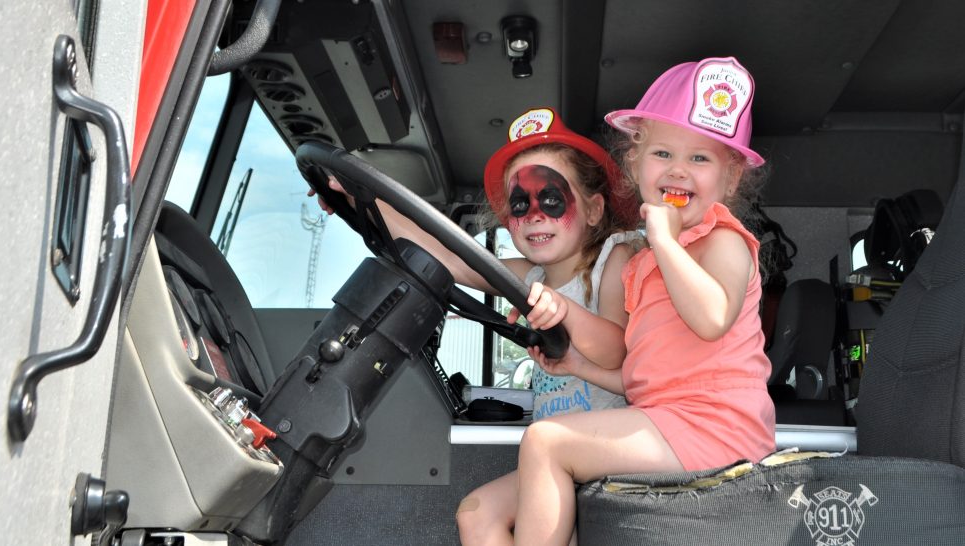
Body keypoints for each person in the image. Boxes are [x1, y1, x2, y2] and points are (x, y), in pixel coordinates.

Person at [313, 107, 642, 544]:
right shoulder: (529, 278)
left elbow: (617, 352)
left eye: (552, 198)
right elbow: (444, 253)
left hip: (608, 446)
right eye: (520, 205)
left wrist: (565, 311)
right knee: (476, 513)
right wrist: (360, 202)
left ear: (596, 209)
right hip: (556, 457)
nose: (535, 215)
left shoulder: (611, 262)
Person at [511, 57, 776, 545]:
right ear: (635, 164)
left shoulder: (724, 242)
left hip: (719, 430)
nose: (678, 170)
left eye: (700, 159)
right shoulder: (642, 266)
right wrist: (577, 366)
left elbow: (713, 319)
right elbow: (645, 374)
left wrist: (668, 242)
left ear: (731, 178)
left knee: (546, 441)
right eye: (662, 154)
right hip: (668, 420)